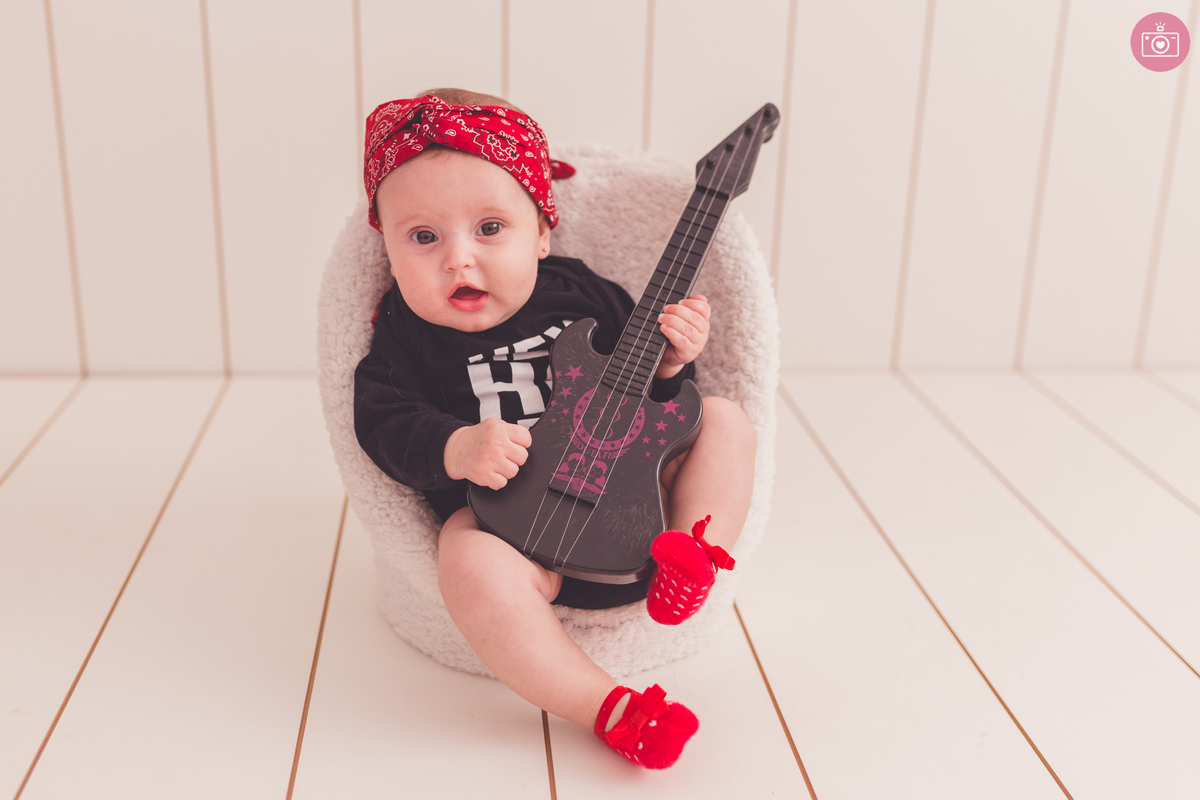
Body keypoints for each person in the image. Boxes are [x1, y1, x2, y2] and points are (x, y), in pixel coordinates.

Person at [354, 88, 757, 769]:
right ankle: (609, 707)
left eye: (489, 229)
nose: (458, 259)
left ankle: (691, 553)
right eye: (423, 238)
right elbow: (382, 421)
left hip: (640, 513)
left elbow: (655, 405)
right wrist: (458, 446)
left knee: (725, 419)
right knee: (465, 557)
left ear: (542, 231)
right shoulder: (403, 331)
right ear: (387, 249)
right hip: (517, 536)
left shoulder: (575, 289)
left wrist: (671, 360)